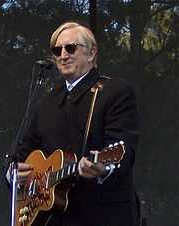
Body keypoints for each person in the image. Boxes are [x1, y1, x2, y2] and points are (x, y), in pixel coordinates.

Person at [15, 21, 140, 226]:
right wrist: (15, 175)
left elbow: (124, 148)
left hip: (101, 215)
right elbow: (22, 150)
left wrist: (102, 167)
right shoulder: (46, 102)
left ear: (91, 53)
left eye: (70, 48)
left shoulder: (115, 92)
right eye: (57, 50)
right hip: (53, 218)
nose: (63, 55)